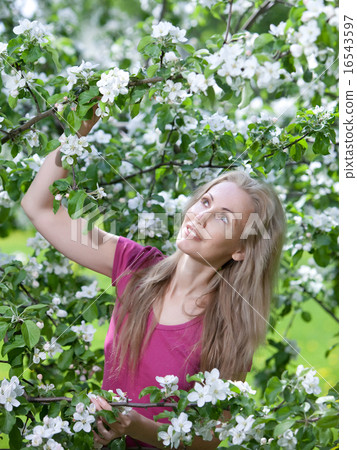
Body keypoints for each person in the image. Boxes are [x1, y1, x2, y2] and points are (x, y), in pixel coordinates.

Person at [21, 110, 286, 449]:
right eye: (205, 201)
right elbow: (39, 207)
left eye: (222, 217)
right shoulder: (136, 265)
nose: (199, 216)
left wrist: (136, 425)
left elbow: (209, 439)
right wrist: (76, 132)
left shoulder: (227, 327)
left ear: (241, 250)